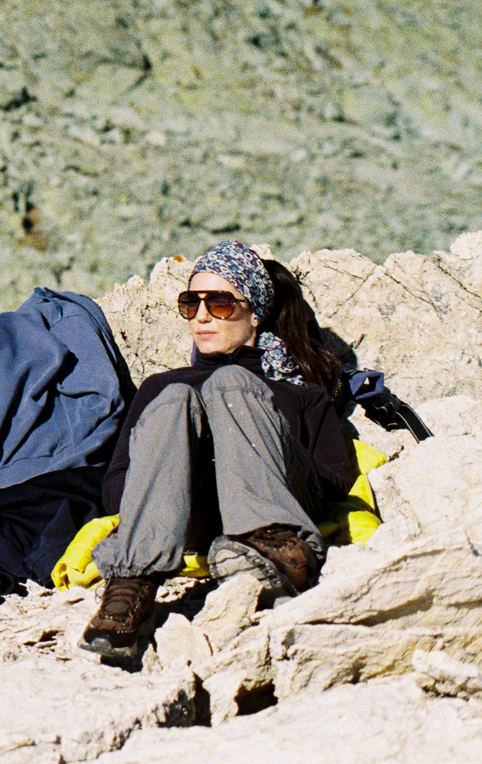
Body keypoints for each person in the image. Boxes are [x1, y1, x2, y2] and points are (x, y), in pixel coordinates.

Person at [80, 241, 357, 662]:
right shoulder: (159, 389)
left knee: (232, 386)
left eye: (221, 303)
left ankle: (272, 544)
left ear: (255, 314)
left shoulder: (301, 395)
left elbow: (337, 481)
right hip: (189, 515)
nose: (203, 316)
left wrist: (255, 457)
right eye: (191, 303)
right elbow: (116, 488)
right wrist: (187, 471)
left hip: (276, 509)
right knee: (176, 398)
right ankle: (132, 584)